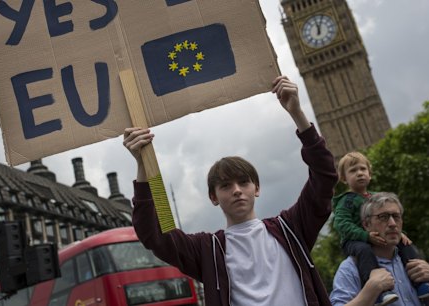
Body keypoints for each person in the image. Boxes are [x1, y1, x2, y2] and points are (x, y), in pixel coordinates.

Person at [123, 76, 338, 306]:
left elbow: (324, 176)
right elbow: (155, 233)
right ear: (213, 197)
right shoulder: (207, 250)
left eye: (243, 182)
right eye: (226, 186)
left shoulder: (291, 228)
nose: (237, 190)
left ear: (257, 188)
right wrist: (144, 164)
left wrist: (297, 113)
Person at [332, 152, 429, 305]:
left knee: (408, 246)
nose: (392, 223)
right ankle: (380, 293)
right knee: (364, 251)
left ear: (370, 174)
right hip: (355, 241)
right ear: (366, 223)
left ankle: (422, 286)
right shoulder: (350, 268)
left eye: (396, 217)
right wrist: (370, 291)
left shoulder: (376, 197)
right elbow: (341, 224)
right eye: (383, 217)